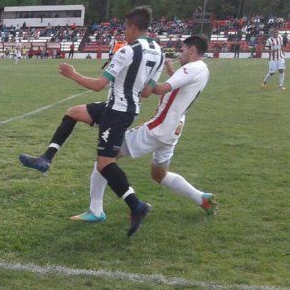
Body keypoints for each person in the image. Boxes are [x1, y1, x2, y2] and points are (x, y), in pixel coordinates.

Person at [19, 6, 163, 237]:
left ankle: (137, 206)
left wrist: (72, 74)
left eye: (125, 27)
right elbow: (147, 92)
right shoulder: (159, 52)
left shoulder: (128, 50)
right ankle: (45, 159)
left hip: (117, 112)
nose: (124, 32)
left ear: (133, 27)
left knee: (105, 164)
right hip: (123, 107)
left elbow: (98, 85)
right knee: (73, 112)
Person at [71, 36, 216, 223]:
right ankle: (200, 197)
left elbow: (161, 88)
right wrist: (169, 69)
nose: (181, 53)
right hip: (173, 130)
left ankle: (95, 210)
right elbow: (178, 88)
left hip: (158, 128)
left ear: (192, 50)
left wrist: (142, 74)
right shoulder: (202, 70)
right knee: (159, 175)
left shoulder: (193, 67)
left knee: (105, 159)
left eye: (183, 50)